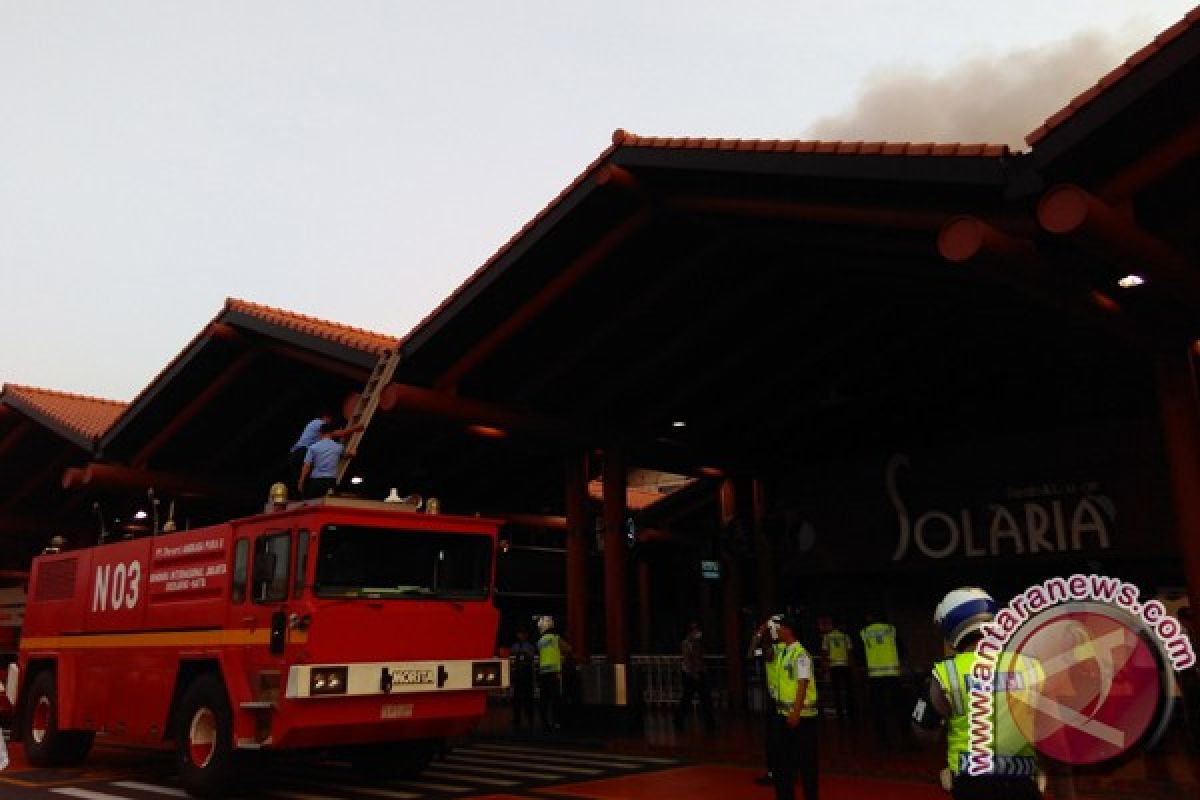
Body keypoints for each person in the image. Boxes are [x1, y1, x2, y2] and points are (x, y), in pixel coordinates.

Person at [911, 587, 1041, 800]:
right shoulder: (1029, 666)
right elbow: (1051, 732)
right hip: (1022, 779)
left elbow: (924, 732)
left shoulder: (947, 673)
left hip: (971, 782)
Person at [768, 615, 819, 800]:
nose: (778, 631)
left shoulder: (801, 654)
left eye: (780, 628)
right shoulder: (783, 652)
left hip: (802, 717)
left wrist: (796, 712)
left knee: (807, 764)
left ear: (789, 630)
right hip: (783, 714)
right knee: (781, 764)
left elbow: (802, 683)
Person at [748, 613, 783, 785]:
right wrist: (762, 631)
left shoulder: (773, 649)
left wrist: (760, 632)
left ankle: (776, 773)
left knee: (775, 740)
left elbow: (752, 652)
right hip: (779, 700)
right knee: (779, 739)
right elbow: (752, 653)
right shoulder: (780, 648)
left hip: (779, 701)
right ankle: (783, 772)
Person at [860, 611, 904, 748]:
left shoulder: (864, 632)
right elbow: (902, 650)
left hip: (875, 676)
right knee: (899, 707)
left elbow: (860, 655)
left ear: (869, 617)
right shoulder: (891, 629)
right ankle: (904, 736)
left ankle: (882, 739)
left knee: (878, 708)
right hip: (893, 675)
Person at [287, 411, 361, 488]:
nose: (329, 423)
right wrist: (355, 428)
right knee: (303, 479)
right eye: (330, 420)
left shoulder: (314, 425)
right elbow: (337, 434)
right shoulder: (318, 422)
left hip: (297, 454)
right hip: (300, 453)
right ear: (326, 417)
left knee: (300, 480)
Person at [674, 621, 715, 732]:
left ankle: (709, 722)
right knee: (687, 698)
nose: (697, 632)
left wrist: (703, 670)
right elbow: (687, 660)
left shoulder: (698, 643)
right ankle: (678, 720)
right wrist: (693, 673)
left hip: (699, 672)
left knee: (705, 698)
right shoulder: (686, 643)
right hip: (690, 674)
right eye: (695, 630)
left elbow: (700, 657)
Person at [297, 423, 354, 499]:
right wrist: (352, 454)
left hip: (316, 481)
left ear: (320, 432)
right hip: (331, 481)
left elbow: (307, 466)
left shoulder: (313, 447)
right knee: (330, 505)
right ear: (332, 432)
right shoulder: (339, 447)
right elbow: (346, 456)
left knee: (313, 504)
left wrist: (301, 481)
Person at [536, 615, 566, 732]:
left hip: (543, 674)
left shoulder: (540, 641)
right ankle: (556, 722)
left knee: (544, 700)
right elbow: (568, 648)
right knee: (556, 699)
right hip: (554, 674)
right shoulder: (556, 638)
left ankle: (544, 723)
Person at [821, 620, 855, 718]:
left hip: (834, 666)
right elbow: (850, 653)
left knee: (837, 691)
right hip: (845, 666)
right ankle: (851, 712)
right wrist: (852, 668)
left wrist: (825, 666)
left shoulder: (827, 637)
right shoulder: (845, 636)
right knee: (849, 690)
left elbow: (824, 652)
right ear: (840, 625)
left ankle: (840, 713)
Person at [510, 626, 537, 731]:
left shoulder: (530, 646)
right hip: (518, 675)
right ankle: (517, 719)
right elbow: (512, 655)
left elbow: (531, 655)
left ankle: (530, 719)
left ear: (526, 635)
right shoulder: (515, 646)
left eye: (523, 633)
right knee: (516, 698)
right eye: (520, 633)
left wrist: (525, 653)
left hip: (527, 675)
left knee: (528, 698)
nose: (521, 635)